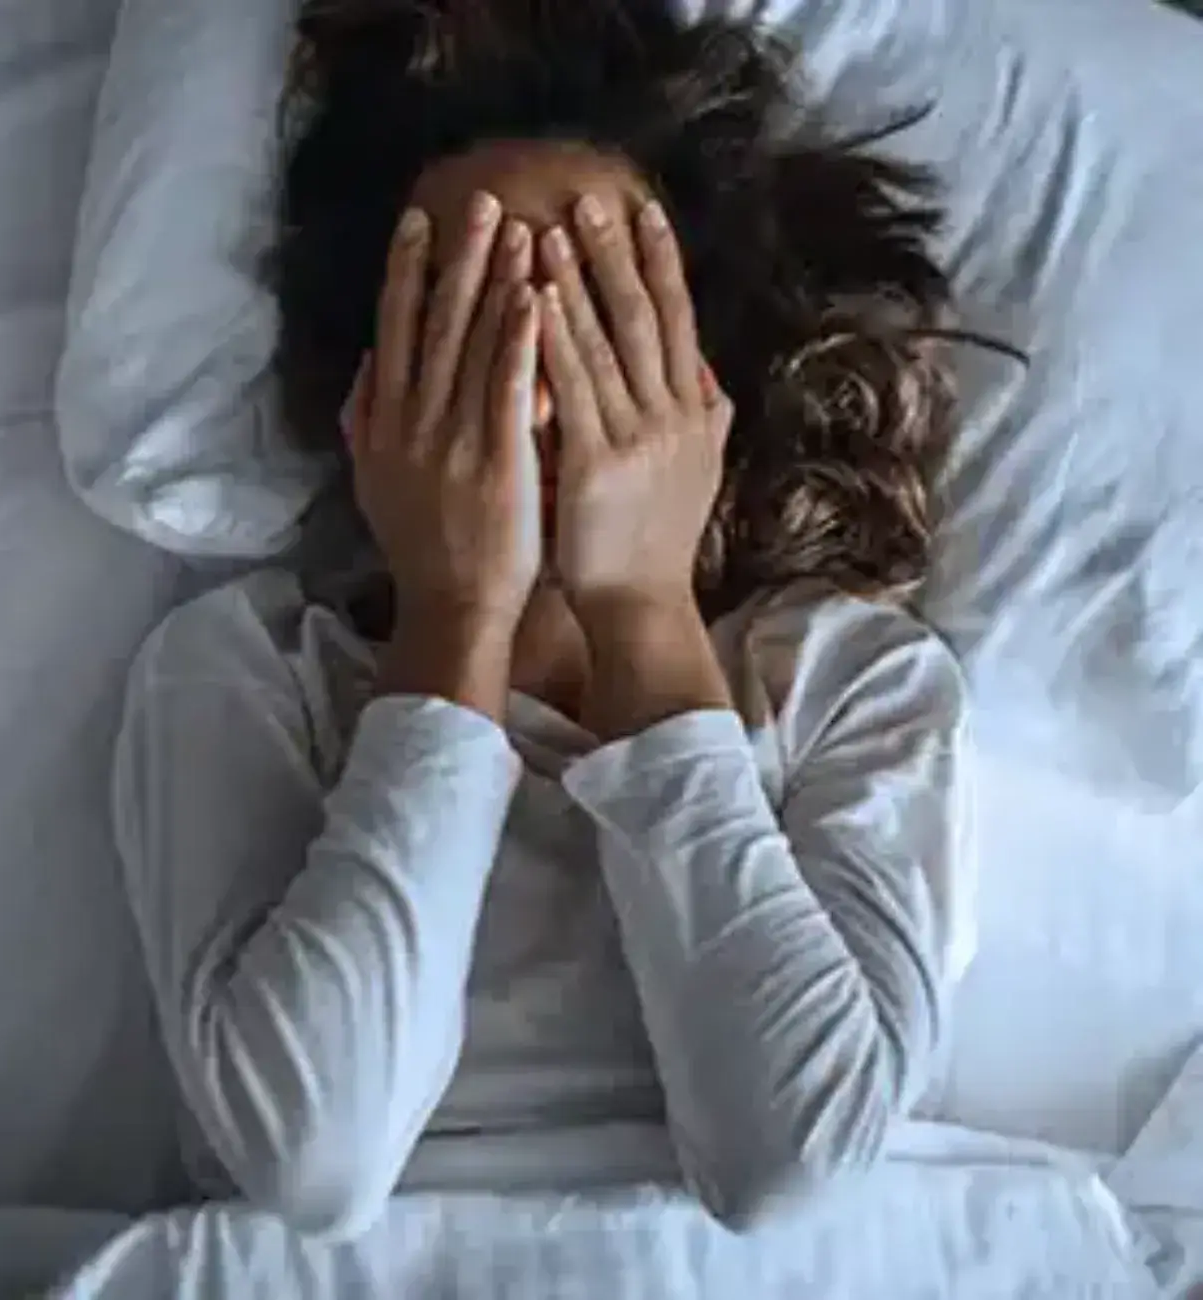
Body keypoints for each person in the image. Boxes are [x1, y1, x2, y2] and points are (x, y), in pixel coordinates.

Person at [113, 0, 976, 1241]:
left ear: (701, 382)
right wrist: (458, 618)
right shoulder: (242, 673)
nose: (536, 369)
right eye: (463, 320)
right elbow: (314, 1159)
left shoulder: (854, 681)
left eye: (601, 309)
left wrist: (641, 612)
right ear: (368, 400)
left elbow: (791, 1161)